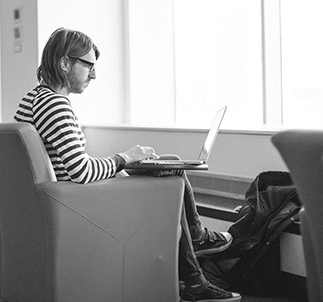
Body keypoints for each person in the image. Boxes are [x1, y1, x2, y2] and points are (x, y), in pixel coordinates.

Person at [15, 28, 241, 302]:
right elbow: (81, 172)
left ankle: (196, 248)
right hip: (74, 201)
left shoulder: (34, 98)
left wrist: (124, 164)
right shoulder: (56, 106)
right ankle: (196, 262)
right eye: (88, 66)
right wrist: (123, 159)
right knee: (173, 174)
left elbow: (70, 165)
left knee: (165, 162)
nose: (94, 75)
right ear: (65, 63)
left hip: (59, 195)